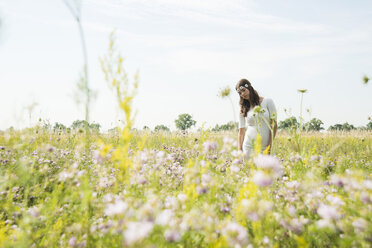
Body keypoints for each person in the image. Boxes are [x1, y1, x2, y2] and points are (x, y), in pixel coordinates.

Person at [236, 78, 277, 158]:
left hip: (265, 147)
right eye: (240, 93)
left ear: (249, 88)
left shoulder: (268, 102)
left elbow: (274, 125)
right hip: (248, 147)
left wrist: (268, 147)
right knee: (248, 170)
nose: (242, 94)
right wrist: (239, 150)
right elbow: (241, 132)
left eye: (244, 90)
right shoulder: (243, 109)